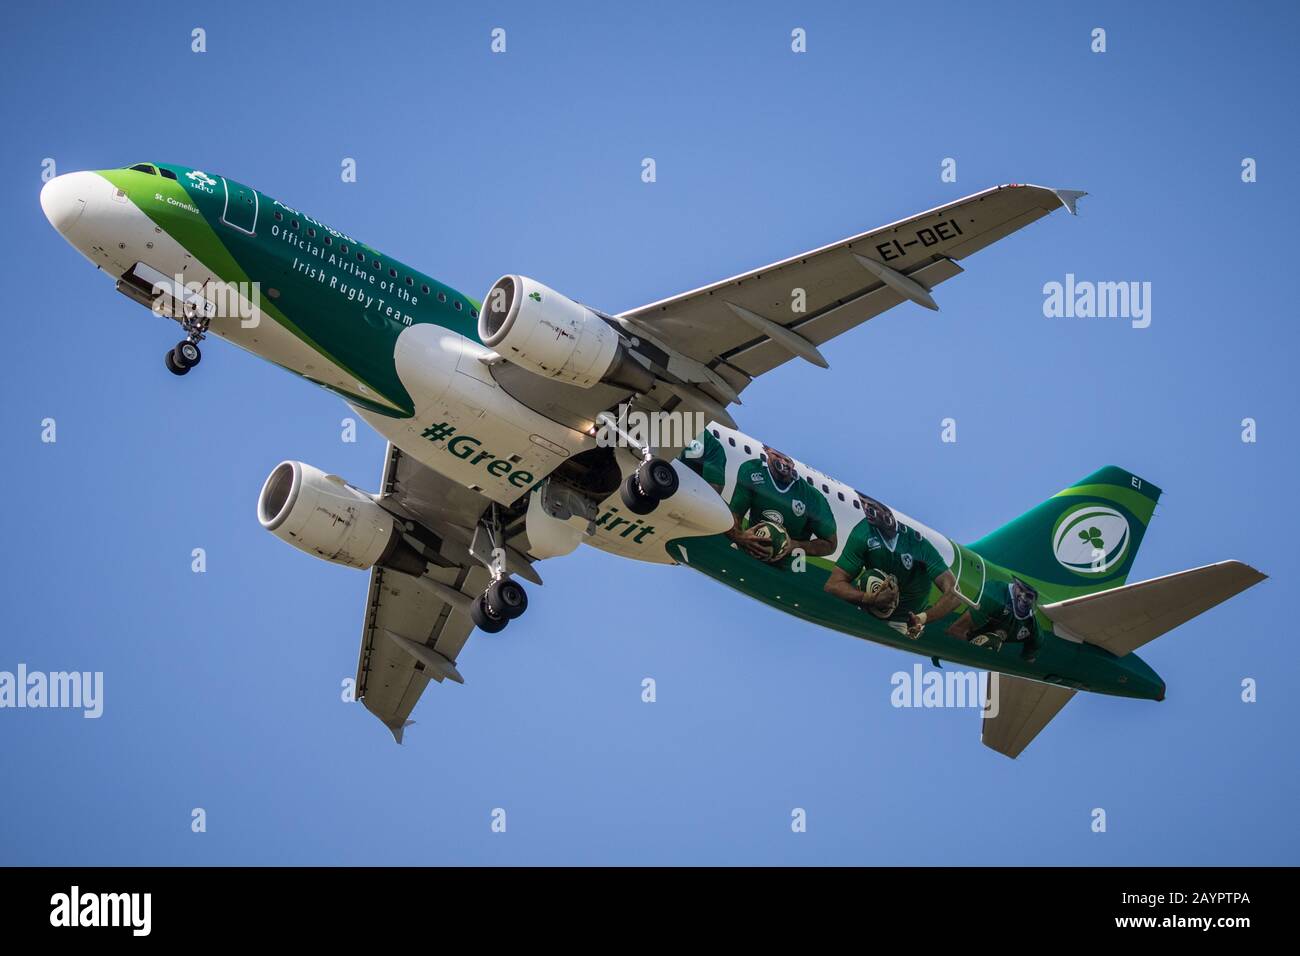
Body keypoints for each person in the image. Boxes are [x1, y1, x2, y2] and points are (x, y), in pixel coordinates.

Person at [824, 494, 961, 637]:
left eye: (871, 506)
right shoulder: (863, 532)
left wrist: (921, 618)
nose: (866, 509)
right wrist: (870, 598)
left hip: (904, 621)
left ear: (887, 513)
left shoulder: (917, 543)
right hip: (871, 614)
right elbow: (833, 584)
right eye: (862, 503)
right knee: (869, 579)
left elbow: (955, 595)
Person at [727, 446, 836, 568]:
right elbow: (734, 515)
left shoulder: (812, 497)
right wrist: (740, 537)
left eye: (788, 460)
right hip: (750, 554)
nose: (783, 462)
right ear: (767, 451)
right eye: (778, 455)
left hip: (786, 566)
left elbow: (830, 544)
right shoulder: (752, 470)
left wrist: (795, 545)